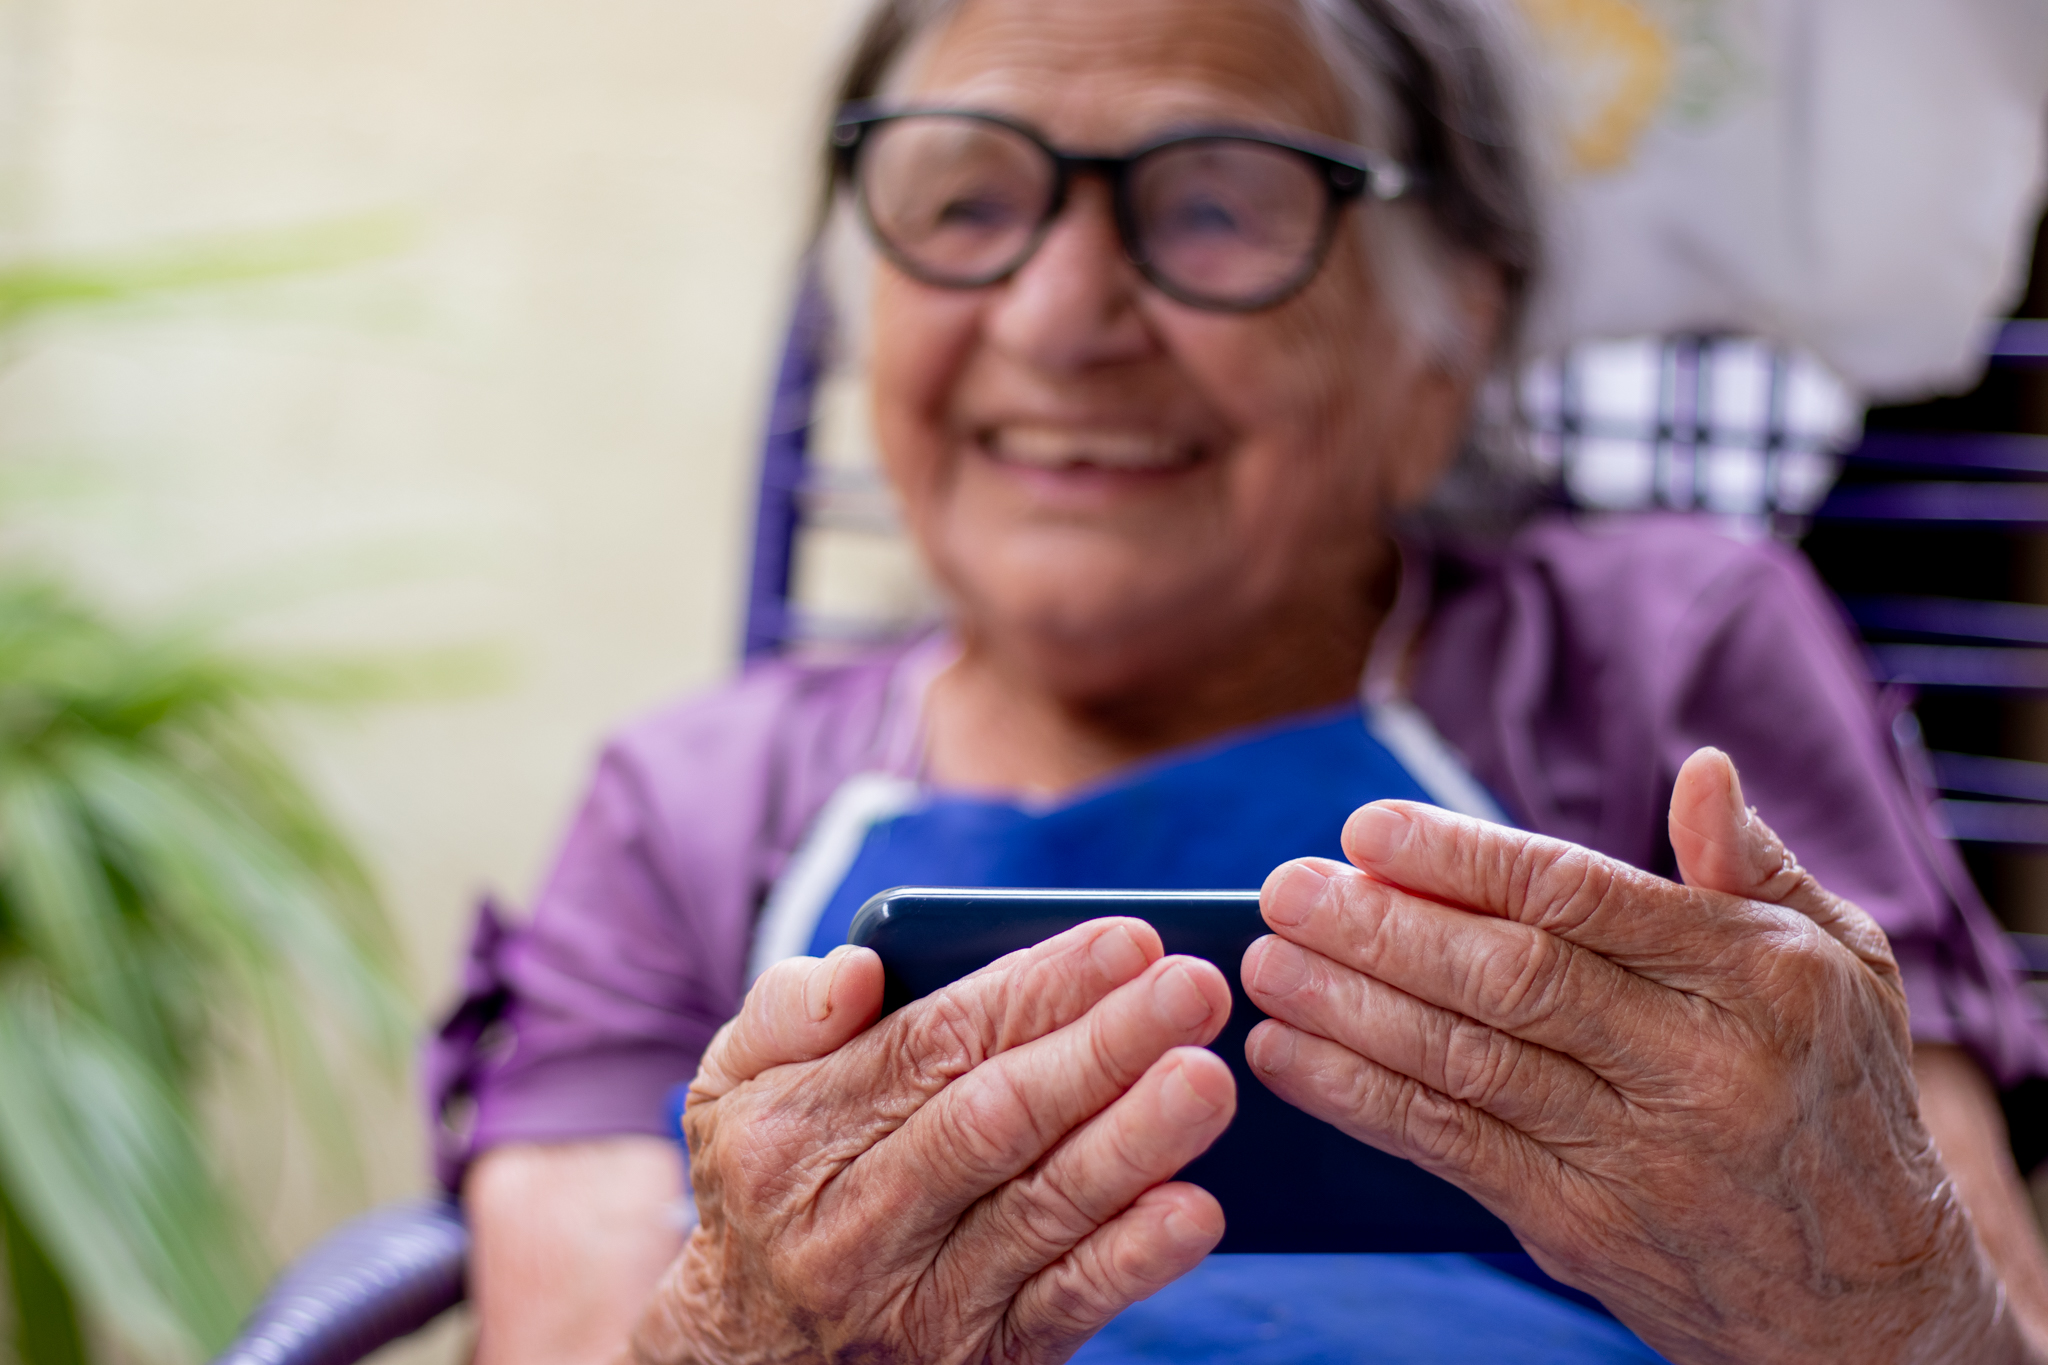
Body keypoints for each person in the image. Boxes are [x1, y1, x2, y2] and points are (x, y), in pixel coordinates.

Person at [429, 0, 2048, 1359]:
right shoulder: (694, 807)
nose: (1061, 319)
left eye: (1214, 203)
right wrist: (741, 1327)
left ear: (1445, 343)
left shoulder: (1652, 655)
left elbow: (1972, 1313)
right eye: (969, 203)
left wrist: (1869, 1285)